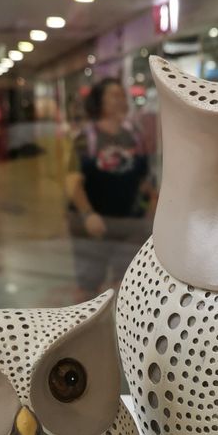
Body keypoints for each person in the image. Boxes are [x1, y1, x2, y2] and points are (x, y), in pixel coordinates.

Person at [66, 77, 154, 296]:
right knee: (88, 286)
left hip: (128, 224)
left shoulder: (134, 135)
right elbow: (72, 183)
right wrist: (88, 215)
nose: (120, 100)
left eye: (122, 95)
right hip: (94, 226)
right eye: (113, 95)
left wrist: (152, 206)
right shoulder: (86, 138)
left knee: (128, 284)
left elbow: (144, 178)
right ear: (99, 102)